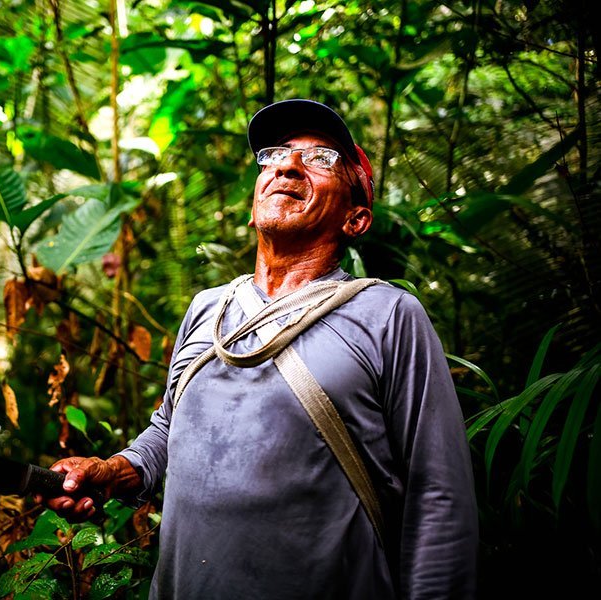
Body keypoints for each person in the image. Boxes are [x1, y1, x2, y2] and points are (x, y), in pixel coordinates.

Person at [41, 99, 478, 599]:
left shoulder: (388, 315)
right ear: (253, 208)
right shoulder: (209, 309)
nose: (288, 164)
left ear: (356, 219)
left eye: (321, 159)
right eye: (275, 156)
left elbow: (438, 493)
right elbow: (170, 427)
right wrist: (115, 469)